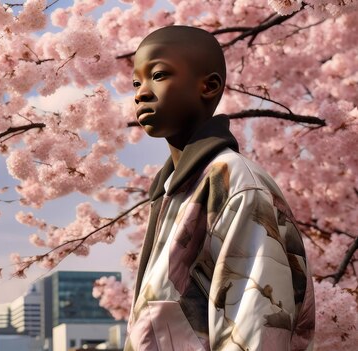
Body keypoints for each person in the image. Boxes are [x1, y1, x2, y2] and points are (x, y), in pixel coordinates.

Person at [124, 25, 315, 351]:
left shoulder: (237, 185)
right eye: (136, 82)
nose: (141, 92)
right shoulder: (176, 191)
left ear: (209, 86)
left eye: (158, 75)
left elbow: (255, 330)